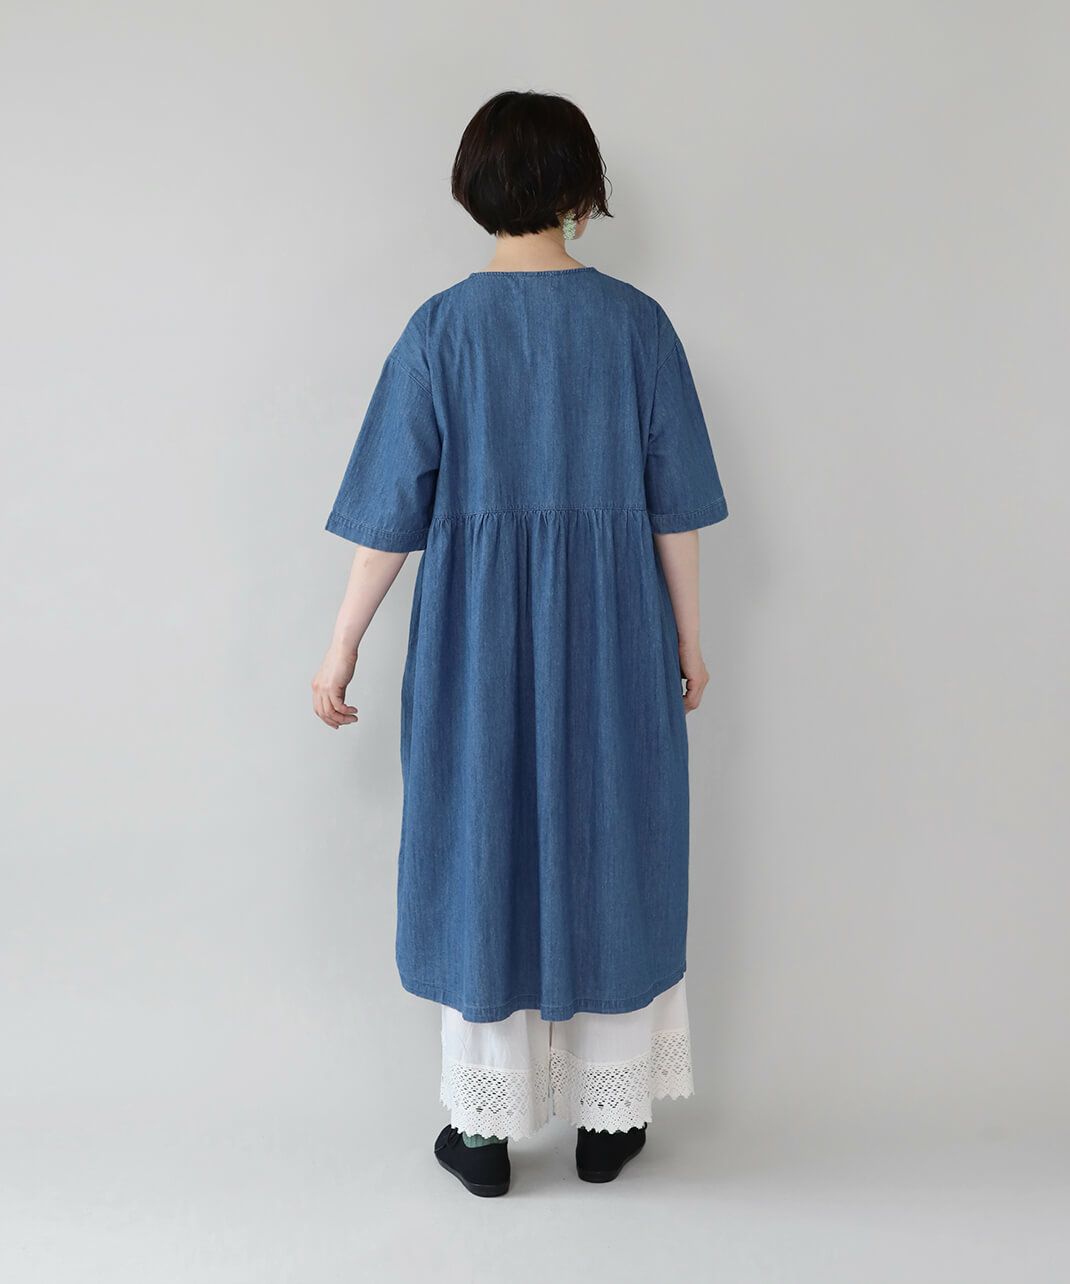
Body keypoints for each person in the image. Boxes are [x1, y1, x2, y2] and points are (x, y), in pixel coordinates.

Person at [312, 90, 728, 1197]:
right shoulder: (636, 326)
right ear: (580, 190)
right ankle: (607, 1124)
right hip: (616, 636)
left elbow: (386, 521)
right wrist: (688, 644)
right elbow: (675, 513)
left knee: (477, 846)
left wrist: (340, 647)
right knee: (618, 841)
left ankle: (484, 1136)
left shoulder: (439, 330)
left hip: (475, 643)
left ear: (475, 188)